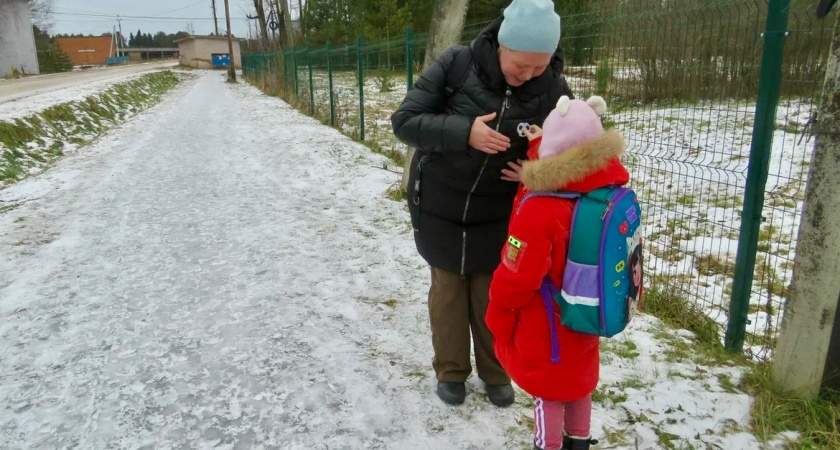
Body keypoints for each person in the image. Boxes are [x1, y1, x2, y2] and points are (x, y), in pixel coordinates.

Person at [390, 0, 573, 407]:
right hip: (440, 202)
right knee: (449, 292)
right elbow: (404, 121)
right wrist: (464, 132)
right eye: (519, 65)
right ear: (501, 45)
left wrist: (537, 169)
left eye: (537, 68)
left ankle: (497, 371)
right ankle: (451, 371)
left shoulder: (556, 89)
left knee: (496, 294)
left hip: (504, 214)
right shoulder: (457, 63)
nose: (527, 76)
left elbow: (573, 152)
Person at [486, 95, 630, 450]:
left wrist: (498, 314)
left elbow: (517, 277)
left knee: (547, 393)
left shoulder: (542, 210)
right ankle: (579, 442)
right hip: (587, 315)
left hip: (544, 321)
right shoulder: (606, 192)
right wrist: (540, 144)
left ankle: (546, 445)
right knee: (577, 385)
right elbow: (563, 170)